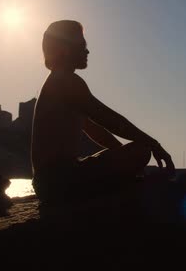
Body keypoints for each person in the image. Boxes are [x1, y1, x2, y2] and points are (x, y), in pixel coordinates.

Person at [31, 20, 174, 203]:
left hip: (47, 184)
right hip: (60, 180)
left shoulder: (57, 82)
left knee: (133, 153)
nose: (87, 51)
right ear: (65, 49)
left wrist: (123, 155)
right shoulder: (67, 81)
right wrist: (153, 144)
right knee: (141, 150)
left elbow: (96, 129)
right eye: (82, 46)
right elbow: (109, 119)